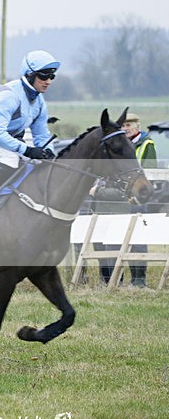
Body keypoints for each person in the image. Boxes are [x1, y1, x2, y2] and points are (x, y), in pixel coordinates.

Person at [0, 50, 60, 215]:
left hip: (1, 141)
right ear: (29, 75)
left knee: (36, 163)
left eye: (52, 77)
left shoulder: (40, 102)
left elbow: (41, 135)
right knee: (10, 158)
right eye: (44, 76)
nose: (48, 81)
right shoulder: (9, 96)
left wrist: (48, 153)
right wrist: (27, 150)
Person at [89, 112, 156, 287]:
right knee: (111, 242)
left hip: (136, 198)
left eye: (129, 126)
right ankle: (114, 281)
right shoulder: (118, 144)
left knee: (137, 241)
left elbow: (150, 173)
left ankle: (138, 281)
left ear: (137, 126)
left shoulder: (146, 145)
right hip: (119, 200)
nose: (125, 129)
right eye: (123, 126)